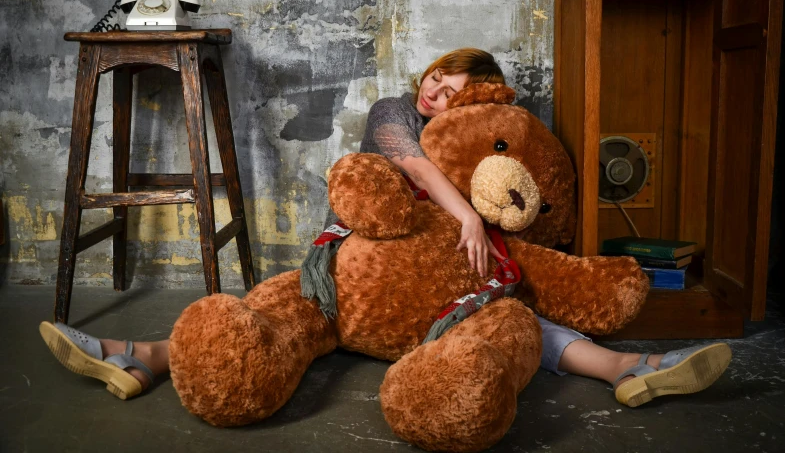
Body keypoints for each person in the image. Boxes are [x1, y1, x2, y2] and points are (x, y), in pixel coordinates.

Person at [39, 48, 731, 407]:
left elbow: (504, 197)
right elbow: (409, 164)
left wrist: (482, 223)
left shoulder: (472, 139)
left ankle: (629, 370)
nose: (437, 94)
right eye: (439, 80)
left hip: (444, 290)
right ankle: (143, 355)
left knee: (509, 314)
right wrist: (461, 211)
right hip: (357, 263)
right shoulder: (393, 110)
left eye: (453, 95)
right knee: (278, 310)